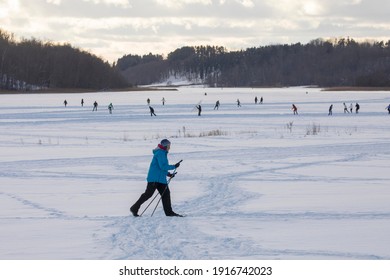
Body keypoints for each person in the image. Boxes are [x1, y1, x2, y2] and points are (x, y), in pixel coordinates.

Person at [130, 139, 182, 217]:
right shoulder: (160, 153)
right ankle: (134, 208)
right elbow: (163, 166)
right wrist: (174, 166)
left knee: (166, 194)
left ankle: (169, 213)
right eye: (169, 146)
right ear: (165, 146)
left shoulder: (163, 153)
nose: (169, 148)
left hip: (161, 179)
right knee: (148, 194)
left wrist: (168, 174)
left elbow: (160, 168)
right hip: (154, 179)